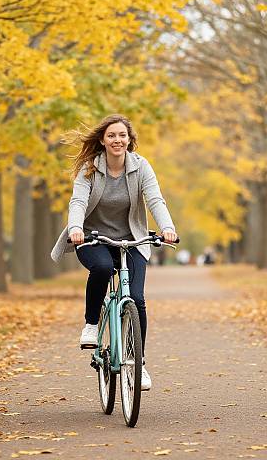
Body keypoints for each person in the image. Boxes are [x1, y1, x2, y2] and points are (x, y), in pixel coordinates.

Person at [51, 114, 177, 391]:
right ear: (102, 140)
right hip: (93, 238)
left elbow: (155, 199)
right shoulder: (89, 169)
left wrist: (167, 227)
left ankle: (139, 363)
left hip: (132, 239)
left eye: (122, 135)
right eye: (112, 136)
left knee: (137, 299)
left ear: (129, 140)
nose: (117, 140)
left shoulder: (142, 167)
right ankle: (91, 325)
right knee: (103, 269)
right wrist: (75, 228)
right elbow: (78, 201)